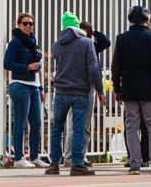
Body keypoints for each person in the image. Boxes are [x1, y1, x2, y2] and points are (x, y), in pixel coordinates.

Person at [45, 12, 106, 176]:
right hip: (80, 92)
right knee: (79, 128)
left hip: (61, 92)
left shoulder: (56, 45)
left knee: (57, 128)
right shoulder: (87, 43)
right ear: (77, 26)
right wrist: (100, 91)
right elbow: (93, 68)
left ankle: (54, 164)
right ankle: (77, 164)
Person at [111, 6, 151, 175]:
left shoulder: (121, 39)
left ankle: (135, 164)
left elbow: (116, 67)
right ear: (147, 20)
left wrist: (117, 88)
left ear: (129, 20)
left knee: (131, 127)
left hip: (129, 89)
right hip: (150, 89)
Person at [2, 12, 49, 168]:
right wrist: (27, 67)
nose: (28, 26)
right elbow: (7, 64)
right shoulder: (15, 44)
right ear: (19, 25)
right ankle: (19, 158)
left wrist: (41, 87)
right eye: (25, 23)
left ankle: (34, 156)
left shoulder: (32, 42)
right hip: (20, 85)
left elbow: (38, 68)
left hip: (34, 86)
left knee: (36, 123)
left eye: (31, 23)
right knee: (21, 123)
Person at [62, 21, 111, 166]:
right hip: (79, 87)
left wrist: (94, 31)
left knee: (85, 125)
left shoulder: (92, 46)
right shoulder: (74, 47)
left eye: (85, 34)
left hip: (87, 87)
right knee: (74, 123)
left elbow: (106, 42)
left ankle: (80, 156)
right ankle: (70, 156)